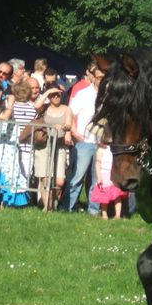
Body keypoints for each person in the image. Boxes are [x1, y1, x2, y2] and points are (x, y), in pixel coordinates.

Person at [60, 64, 103, 212]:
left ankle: (94, 209)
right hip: (84, 142)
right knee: (77, 177)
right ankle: (66, 206)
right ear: (92, 77)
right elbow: (70, 112)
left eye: (104, 77)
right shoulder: (83, 94)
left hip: (102, 143)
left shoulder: (108, 96)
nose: (101, 80)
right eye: (99, 77)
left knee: (98, 179)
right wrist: (74, 132)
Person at [34, 85, 72, 211]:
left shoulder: (66, 109)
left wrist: (62, 127)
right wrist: (48, 92)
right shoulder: (44, 108)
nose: (56, 96)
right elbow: (36, 106)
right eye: (53, 95)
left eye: (58, 94)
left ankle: (53, 201)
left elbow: (69, 124)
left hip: (59, 146)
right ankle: (47, 207)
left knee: (59, 180)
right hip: (44, 145)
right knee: (44, 177)